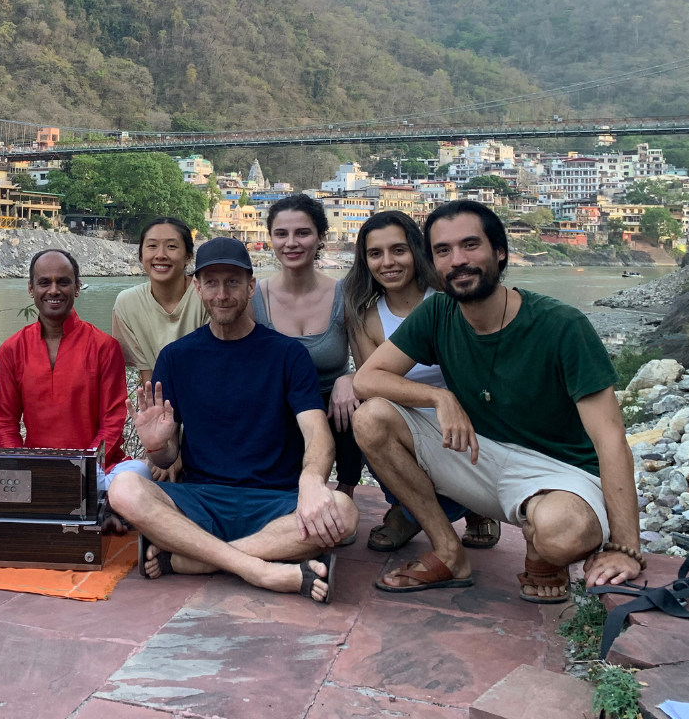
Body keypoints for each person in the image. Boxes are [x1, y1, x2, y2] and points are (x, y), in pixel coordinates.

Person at [353, 200, 643, 603]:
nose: (458, 261)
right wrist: (440, 396)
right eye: (443, 251)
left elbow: (611, 439)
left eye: (471, 245)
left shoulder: (562, 326)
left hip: (558, 472)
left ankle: (543, 543)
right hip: (480, 454)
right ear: (433, 262)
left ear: (500, 252)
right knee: (371, 419)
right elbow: (367, 379)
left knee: (562, 532)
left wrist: (627, 546)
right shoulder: (437, 312)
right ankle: (449, 552)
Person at [109, 237, 359, 604]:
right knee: (124, 489)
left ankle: (198, 560)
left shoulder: (287, 354)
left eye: (233, 282)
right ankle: (260, 568)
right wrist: (159, 445)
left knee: (345, 510)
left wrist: (310, 481)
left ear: (251, 286)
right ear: (197, 288)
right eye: (211, 282)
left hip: (275, 500)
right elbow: (165, 460)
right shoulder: (176, 358)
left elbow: (317, 433)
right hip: (201, 498)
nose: (222, 294)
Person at [345, 211, 500, 552]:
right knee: (367, 415)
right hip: (409, 422)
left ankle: (475, 504)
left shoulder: (450, 298)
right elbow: (372, 384)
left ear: (416, 251)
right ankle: (407, 508)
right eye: (375, 254)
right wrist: (433, 398)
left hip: (469, 420)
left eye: (398, 250)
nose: (388, 262)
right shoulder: (366, 317)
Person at [0, 249, 150, 511]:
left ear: (77, 287)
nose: (54, 290)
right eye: (44, 282)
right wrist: (21, 465)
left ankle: (103, 506)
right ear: (31, 289)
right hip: (37, 468)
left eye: (63, 282)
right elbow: (3, 423)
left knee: (139, 475)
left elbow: (112, 422)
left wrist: (84, 466)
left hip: (97, 467)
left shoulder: (104, 347)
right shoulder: (12, 350)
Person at [251, 194, 361, 503]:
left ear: (320, 237)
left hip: (332, 406)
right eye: (281, 234)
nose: (291, 243)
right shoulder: (254, 297)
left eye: (303, 233)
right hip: (278, 405)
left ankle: (346, 490)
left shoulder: (344, 293)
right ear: (270, 238)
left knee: (360, 405)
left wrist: (349, 378)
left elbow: (368, 364)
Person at [112, 217, 208, 483]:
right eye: (152, 246)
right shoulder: (127, 304)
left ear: (188, 256)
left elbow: (209, 378)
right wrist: (167, 449)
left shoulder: (205, 296)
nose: (160, 255)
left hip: (210, 414)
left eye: (172, 247)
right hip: (164, 416)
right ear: (141, 254)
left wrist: (182, 453)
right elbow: (150, 382)